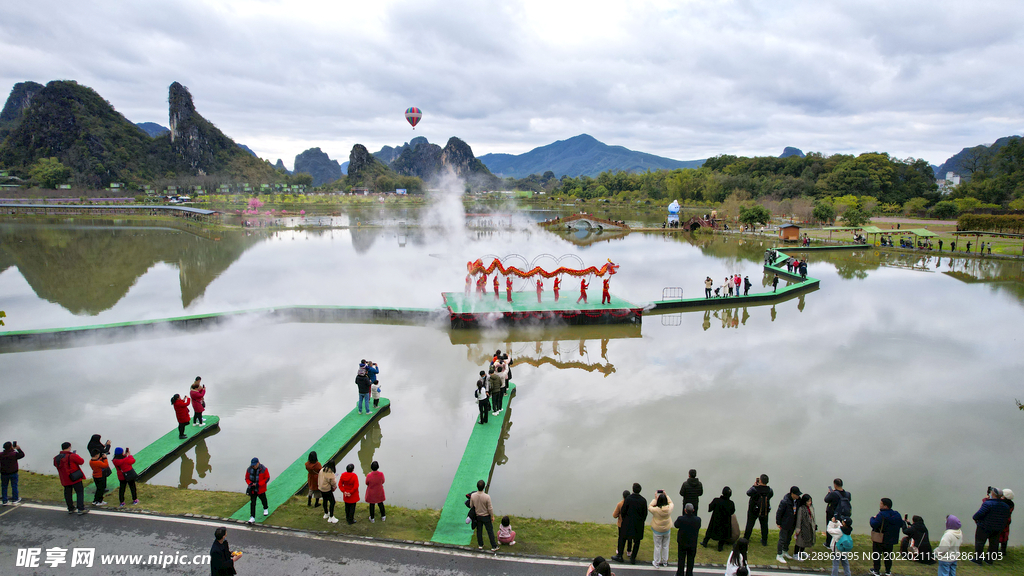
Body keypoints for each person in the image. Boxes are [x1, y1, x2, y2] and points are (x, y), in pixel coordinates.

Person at [971, 487, 1010, 565]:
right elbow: (1006, 518)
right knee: (994, 544)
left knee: (980, 543)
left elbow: (977, 515)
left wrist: (977, 520)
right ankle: (989, 560)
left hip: (984, 527)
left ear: (992, 494)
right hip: (998, 528)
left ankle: (978, 559)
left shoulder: (988, 503)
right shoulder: (1006, 506)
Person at [869, 497, 905, 576]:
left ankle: (876, 570)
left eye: (881, 503)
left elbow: (874, 524)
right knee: (888, 556)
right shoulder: (896, 514)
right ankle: (888, 571)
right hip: (891, 539)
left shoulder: (881, 515)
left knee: (877, 555)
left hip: (880, 539)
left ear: (886, 506)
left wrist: (872, 518)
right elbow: (901, 524)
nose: (880, 505)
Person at [613, 483, 647, 564]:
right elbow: (645, 514)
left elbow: (623, 511)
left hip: (627, 524)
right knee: (637, 542)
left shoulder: (628, 499)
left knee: (622, 539)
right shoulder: (643, 500)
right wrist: (640, 521)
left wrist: (625, 520)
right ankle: (633, 558)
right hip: (638, 525)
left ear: (633, 489)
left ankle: (620, 556)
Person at [54, 442, 87, 515]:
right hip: (74, 477)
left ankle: (70, 508)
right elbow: (81, 461)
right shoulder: (72, 456)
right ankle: (81, 508)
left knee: (68, 493)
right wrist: (75, 455)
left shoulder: (56, 458)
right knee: (79, 492)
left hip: (64, 478)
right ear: (69, 447)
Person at [702, 486, 735, 551]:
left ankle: (705, 542)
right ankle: (720, 547)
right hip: (725, 522)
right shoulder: (731, 503)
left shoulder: (716, 500)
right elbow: (732, 512)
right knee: (723, 534)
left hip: (715, 521)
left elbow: (710, 508)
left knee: (710, 531)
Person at [744, 474, 773, 545]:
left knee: (750, 524)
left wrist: (754, 486)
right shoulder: (770, 490)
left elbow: (748, 493)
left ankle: (746, 539)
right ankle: (764, 541)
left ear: (760, 480)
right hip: (764, 510)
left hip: (753, 510)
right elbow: (770, 496)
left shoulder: (755, 489)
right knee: (764, 525)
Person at [470, 479, 498, 551]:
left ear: (477, 487)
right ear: (484, 487)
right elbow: (490, 508)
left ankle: (480, 545)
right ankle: (494, 546)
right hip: (486, 516)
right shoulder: (487, 497)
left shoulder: (473, 496)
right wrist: (492, 516)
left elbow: (471, 506)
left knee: (479, 531)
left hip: (478, 516)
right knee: (490, 531)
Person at [775, 486, 801, 563]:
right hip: (785, 523)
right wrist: (778, 523)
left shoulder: (797, 501)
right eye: (797, 495)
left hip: (792, 523)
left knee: (788, 538)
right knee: (782, 539)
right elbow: (779, 512)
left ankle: (785, 551)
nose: (798, 496)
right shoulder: (785, 501)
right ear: (792, 494)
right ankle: (779, 555)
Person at [648, 490, 674, 567]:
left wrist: (655, 499)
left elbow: (649, 507)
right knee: (665, 545)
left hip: (657, 530)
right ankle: (665, 561)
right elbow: (671, 503)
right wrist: (666, 495)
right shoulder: (669, 509)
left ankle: (656, 562)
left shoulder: (656, 510)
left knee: (657, 546)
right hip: (666, 530)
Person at [674, 503, 701, 576]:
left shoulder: (681, 519)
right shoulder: (698, 520)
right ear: (693, 510)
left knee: (681, 559)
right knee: (691, 560)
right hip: (692, 543)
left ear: (685, 510)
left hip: (682, 542)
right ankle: (689, 573)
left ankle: (680, 573)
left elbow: (676, 525)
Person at [823, 479, 852, 546]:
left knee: (831, 527)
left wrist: (829, 493)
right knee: (841, 528)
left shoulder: (833, 494)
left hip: (832, 514)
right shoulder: (848, 494)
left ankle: (829, 543)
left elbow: (826, 500)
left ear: (835, 485)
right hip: (843, 514)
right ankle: (841, 541)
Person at [245, 457, 270, 523]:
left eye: (255, 465)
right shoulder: (249, 469)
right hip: (252, 489)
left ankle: (265, 508)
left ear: (258, 463)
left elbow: (267, 478)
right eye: (253, 465)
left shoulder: (264, 469)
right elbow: (246, 478)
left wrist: (259, 484)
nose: (254, 466)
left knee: (263, 499)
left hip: (260, 488)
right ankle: (252, 517)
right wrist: (250, 483)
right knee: (253, 503)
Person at [1, 441, 25, 505]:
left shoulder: (1, 454)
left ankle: (4, 500)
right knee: (14, 486)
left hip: (4, 473)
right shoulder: (14, 454)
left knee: (4, 487)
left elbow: (6, 453)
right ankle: (15, 499)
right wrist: (18, 449)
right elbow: (22, 455)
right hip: (13, 473)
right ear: (11, 447)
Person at [793, 493, 817, 559]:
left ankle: (802, 552)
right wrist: (798, 529)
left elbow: (812, 518)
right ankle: (795, 554)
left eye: (810, 501)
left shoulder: (811, 508)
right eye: (808, 501)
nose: (810, 502)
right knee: (799, 542)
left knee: (805, 542)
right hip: (802, 528)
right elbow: (799, 519)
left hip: (808, 527)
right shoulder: (801, 509)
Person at [612, 490, 631, 558]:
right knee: (629, 538)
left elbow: (614, 515)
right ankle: (629, 551)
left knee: (621, 538)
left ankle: (620, 551)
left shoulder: (620, 504)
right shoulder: (632, 504)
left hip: (621, 524)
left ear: (623, 496)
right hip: (630, 524)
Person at [997, 489, 1013, 556]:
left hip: (999, 521)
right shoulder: (1011, 503)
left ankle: (994, 550)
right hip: (1007, 521)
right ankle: (1003, 550)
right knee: (1005, 535)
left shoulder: (1001, 503)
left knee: (997, 535)